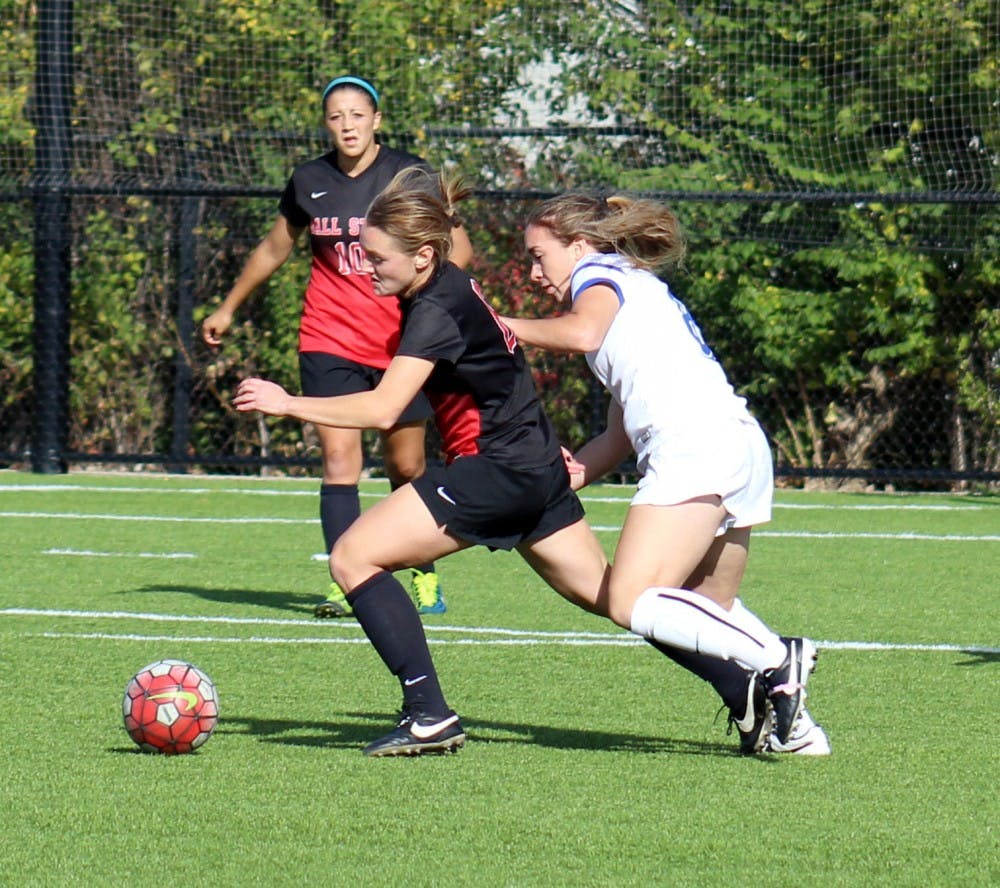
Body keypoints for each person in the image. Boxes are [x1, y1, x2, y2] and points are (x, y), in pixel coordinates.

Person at [234, 170, 824, 757]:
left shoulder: (560, 283)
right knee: (635, 598)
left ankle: (428, 714)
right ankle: (761, 702)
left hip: (515, 467)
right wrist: (575, 470)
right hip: (617, 455)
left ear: (421, 256)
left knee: (353, 557)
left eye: (376, 257)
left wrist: (288, 402)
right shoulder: (474, 291)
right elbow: (620, 424)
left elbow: (389, 407)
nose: (363, 268)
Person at [499, 191, 830, 755]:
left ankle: (779, 658)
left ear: (578, 246)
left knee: (631, 599)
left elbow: (581, 333)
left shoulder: (597, 277)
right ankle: (798, 733)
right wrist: (570, 475)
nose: (533, 272)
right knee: (706, 607)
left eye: (539, 256)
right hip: (735, 443)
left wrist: (499, 324)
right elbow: (617, 435)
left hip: (693, 445)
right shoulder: (632, 287)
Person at [204, 74, 470, 618]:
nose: (346, 125)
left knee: (408, 466)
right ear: (326, 124)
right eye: (335, 116)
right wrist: (228, 305)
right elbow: (276, 246)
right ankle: (348, 576)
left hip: (402, 343)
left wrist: (433, 307)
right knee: (338, 458)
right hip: (329, 337)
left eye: (356, 114)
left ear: (376, 119)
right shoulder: (310, 179)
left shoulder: (409, 175)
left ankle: (421, 570)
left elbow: (459, 249)